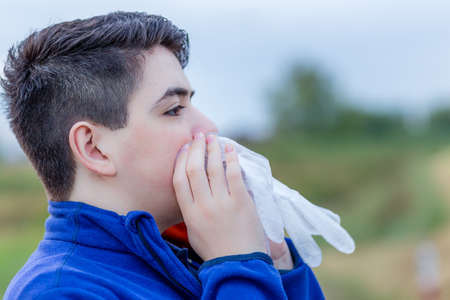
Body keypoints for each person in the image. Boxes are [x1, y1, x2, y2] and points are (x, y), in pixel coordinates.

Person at [1, 11, 325, 299]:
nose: (208, 128)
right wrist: (239, 265)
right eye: (173, 110)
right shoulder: (59, 291)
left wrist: (276, 263)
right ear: (94, 148)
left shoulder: (181, 256)